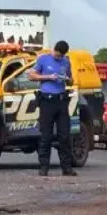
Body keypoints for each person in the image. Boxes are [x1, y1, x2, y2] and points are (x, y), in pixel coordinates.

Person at [27, 40, 77, 177]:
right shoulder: (44, 59)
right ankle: (44, 167)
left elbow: (71, 79)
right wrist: (48, 77)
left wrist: (67, 79)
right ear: (54, 50)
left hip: (61, 100)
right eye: (57, 54)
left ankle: (66, 168)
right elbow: (31, 75)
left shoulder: (66, 62)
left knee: (64, 135)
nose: (58, 57)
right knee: (46, 136)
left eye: (61, 56)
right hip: (47, 101)